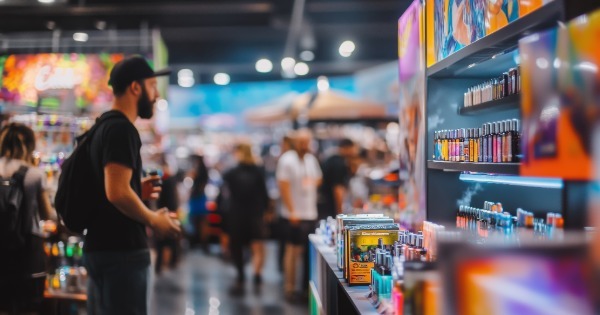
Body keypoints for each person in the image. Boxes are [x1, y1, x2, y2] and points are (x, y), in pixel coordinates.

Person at [83, 56, 181, 315]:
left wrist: (135, 188)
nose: (156, 95)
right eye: (152, 86)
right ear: (135, 88)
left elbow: (110, 187)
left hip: (99, 247)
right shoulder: (122, 130)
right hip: (122, 253)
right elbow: (116, 192)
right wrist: (153, 219)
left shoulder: (101, 128)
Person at [0, 123, 56, 314]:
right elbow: (47, 214)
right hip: (28, 250)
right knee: (28, 306)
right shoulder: (34, 175)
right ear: (30, 145)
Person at [276, 129, 322, 302]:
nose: (305, 145)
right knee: (292, 251)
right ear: (296, 142)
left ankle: (304, 287)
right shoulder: (287, 160)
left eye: (307, 141)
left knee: (306, 252)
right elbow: (283, 186)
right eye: (302, 141)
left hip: (310, 212)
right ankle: (289, 287)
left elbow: (318, 178)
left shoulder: (311, 160)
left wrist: (310, 182)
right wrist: (291, 209)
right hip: (293, 215)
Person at [221, 143, 270, 296]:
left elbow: (224, 193)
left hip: (236, 213)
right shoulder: (259, 171)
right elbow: (264, 194)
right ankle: (256, 273)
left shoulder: (231, 173)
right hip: (255, 213)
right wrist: (267, 210)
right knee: (257, 245)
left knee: (237, 245)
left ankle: (241, 273)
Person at [318, 138, 357, 219]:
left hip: (323, 203)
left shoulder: (332, 159)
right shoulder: (339, 164)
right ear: (346, 148)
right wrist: (340, 213)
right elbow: (337, 189)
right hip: (329, 206)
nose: (354, 152)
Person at [154, 155, 181, 274]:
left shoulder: (163, 180)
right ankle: (168, 263)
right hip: (168, 213)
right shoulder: (168, 180)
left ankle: (162, 264)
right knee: (170, 239)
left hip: (164, 213)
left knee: (164, 240)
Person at [188, 154, 209, 252]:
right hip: (200, 198)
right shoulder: (203, 170)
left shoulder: (199, 170)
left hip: (198, 198)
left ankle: (198, 243)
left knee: (197, 222)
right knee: (200, 222)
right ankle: (202, 243)